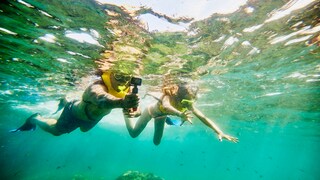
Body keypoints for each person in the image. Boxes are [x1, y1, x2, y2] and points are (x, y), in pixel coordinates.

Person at [11, 69, 140, 136]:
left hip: (92, 120)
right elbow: (101, 99)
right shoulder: (96, 86)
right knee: (56, 131)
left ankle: (66, 101)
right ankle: (35, 118)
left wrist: (135, 111)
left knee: (84, 130)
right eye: (118, 76)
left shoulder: (127, 89)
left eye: (126, 78)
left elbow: (134, 107)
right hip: (75, 114)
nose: (122, 81)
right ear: (109, 74)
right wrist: (122, 103)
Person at [124, 83, 238, 145]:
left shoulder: (187, 103)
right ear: (179, 97)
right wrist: (180, 114)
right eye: (185, 102)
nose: (187, 105)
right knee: (134, 134)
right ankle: (125, 114)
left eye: (190, 102)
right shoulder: (169, 96)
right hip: (150, 111)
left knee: (156, 143)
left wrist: (219, 131)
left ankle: (165, 120)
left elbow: (203, 117)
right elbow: (166, 106)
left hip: (161, 116)